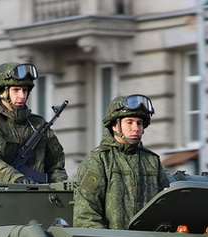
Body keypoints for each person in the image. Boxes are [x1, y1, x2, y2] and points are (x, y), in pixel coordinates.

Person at [73, 94, 171, 229]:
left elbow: (165, 206)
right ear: (115, 126)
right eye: (129, 122)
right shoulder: (99, 161)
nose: (136, 128)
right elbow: (85, 212)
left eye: (139, 123)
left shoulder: (152, 161)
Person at [0, 62, 68, 184]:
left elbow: (56, 162)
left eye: (24, 90)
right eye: (16, 90)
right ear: (3, 92)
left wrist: (60, 185)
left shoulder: (37, 124)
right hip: (1, 197)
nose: (22, 96)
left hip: (40, 196)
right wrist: (15, 178)